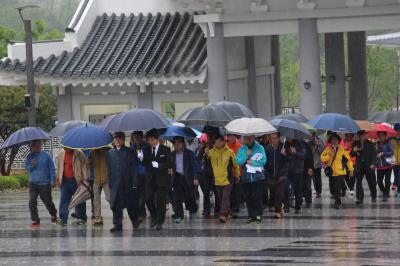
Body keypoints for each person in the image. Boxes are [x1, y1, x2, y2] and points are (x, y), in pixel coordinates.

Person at [107, 132, 140, 232]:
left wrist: (135, 182)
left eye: (119, 139)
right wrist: (110, 181)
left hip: (127, 183)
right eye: (115, 139)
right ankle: (117, 224)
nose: (117, 140)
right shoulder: (110, 153)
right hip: (115, 184)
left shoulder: (130, 152)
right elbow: (109, 168)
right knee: (116, 205)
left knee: (131, 204)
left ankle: (135, 221)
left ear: (123, 140)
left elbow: (134, 168)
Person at [207, 134, 240, 223]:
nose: (216, 144)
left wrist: (237, 175)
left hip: (228, 179)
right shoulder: (211, 152)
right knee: (221, 198)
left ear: (223, 142)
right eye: (215, 142)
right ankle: (227, 210)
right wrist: (205, 153)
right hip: (217, 179)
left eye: (218, 142)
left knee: (225, 197)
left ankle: (223, 214)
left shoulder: (230, 152)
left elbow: (235, 165)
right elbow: (205, 162)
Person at [143, 128, 172, 230]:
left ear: (157, 139)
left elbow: (169, 163)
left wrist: (159, 165)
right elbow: (145, 164)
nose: (150, 142)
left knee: (161, 202)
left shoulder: (165, 149)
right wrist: (141, 158)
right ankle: (154, 216)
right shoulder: (146, 149)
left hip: (161, 179)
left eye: (151, 139)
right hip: (150, 179)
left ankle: (160, 221)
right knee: (148, 199)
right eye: (148, 140)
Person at [25, 140, 58, 226]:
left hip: (45, 183)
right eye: (33, 146)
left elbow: (52, 168)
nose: (35, 147)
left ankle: (53, 214)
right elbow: (27, 168)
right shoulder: (29, 157)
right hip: (33, 183)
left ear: (40, 145)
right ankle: (35, 220)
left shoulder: (46, 155)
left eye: (37, 145)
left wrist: (52, 180)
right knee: (32, 201)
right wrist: (32, 165)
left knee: (48, 202)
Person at [237, 135, 267, 223]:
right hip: (246, 177)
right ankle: (251, 215)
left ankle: (258, 214)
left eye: (251, 137)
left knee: (256, 196)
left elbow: (263, 161)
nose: (249, 139)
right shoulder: (242, 149)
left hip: (258, 177)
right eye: (247, 137)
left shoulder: (260, 147)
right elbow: (238, 161)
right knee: (248, 197)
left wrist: (252, 162)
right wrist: (246, 155)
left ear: (254, 137)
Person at [321, 133, 354, 209]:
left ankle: (337, 202)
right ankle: (337, 200)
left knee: (337, 187)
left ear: (338, 141)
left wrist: (351, 170)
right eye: (333, 140)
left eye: (336, 140)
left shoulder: (342, 149)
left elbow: (348, 160)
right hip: (331, 172)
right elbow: (322, 158)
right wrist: (329, 155)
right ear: (330, 141)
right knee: (332, 187)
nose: (334, 141)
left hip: (340, 172)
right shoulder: (328, 149)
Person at [56, 147, 87, 226]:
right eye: (64, 147)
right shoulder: (61, 153)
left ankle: (82, 217)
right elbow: (59, 166)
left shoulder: (79, 153)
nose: (65, 148)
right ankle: (63, 219)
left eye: (67, 147)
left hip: (76, 180)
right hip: (65, 180)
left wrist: (85, 179)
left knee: (79, 199)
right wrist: (58, 178)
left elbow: (83, 165)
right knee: (64, 200)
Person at [171, 137, 199, 223]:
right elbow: (169, 165)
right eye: (175, 143)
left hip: (188, 177)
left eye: (178, 143)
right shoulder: (172, 154)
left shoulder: (189, 153)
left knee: (189, 196)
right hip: (177, 177)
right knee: (177, 197)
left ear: (183, 143)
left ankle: (193, 210)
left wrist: (195, 178)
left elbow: (194, 166)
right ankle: (179, 215)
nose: (177, 145)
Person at [265, 132, 288, 219]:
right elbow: (265, 162)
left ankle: (277, 211)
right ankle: (280, 206)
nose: (273, 140)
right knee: (273, 192)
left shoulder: (283, 147)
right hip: (271, 175)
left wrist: (285, 155)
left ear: (279, 138)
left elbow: (288, 161)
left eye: (275, 138)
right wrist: (266, 173)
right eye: (272, 138)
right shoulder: (267, 148)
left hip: (281, 175)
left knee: (279, 192)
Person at [351, 131, 377, 204]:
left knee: (371, 182)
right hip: (359, 166)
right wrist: (354, 150)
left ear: (366, 135)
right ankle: (359, 198)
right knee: (358, 182)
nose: (362, 137)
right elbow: (351, 154)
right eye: (360, 135)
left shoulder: (370, 143)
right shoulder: (356, 143)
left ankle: (373, 196)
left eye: (363, 135)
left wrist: (373, 163)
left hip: (369, 165)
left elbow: (373, 154)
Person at [88, 147, 111, 226]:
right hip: (96, 180)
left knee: (109, 197)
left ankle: (117, 213)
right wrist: (89, 162)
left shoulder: (107, 151)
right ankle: (97, 217)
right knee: (96, 199)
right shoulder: (92, 152)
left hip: (106, 179)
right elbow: (88, 165)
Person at [284, 138, 306, 214]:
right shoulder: (285, 144)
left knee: (297, 190)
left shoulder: (300, 143)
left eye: (289, 137)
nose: (287, 138)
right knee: (286, 188)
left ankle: (298, 207)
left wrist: (295, 152)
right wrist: (283, 154)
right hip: (288, 171)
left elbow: (303, 155)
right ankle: (286, 206)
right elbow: (285, 158)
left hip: (298, 170)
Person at [130, 131, 148, 220]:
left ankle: (143, 210)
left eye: (138, 137)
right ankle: (141, 211)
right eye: (134, 138)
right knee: (138, 194)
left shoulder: (146, 147)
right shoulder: (132, 148)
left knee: (145, 195)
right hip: (136, 175)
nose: (136, 139)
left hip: (146, 174)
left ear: (141, 137)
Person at [196, 137, 213, 217]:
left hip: (210, 174)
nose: (204, 143)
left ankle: (217, 210)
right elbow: (197, 160)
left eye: (206, 142)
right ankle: (206, 210)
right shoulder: (200, 150)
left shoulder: (213, 150)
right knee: (205, 192)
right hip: (201, 174)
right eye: (203, 142)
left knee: (213, 192)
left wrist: (208, 155)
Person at [226, 134, 242, 218]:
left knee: (237, 191)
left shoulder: (240, 146)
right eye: (229, 136)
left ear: (235, 137)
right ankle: (231, 208)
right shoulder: (226, 146)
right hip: (228, 173)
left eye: (232, 136)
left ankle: (236, 209)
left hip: (238, 172)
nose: (230, 138)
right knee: (230, 192)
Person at [375, 131, 394, 202]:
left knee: (387, 181)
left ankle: (385, 195)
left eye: (382, 135)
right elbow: (374, 153)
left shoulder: (388, 143)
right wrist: (376, 151)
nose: (381, 136)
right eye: (379, 135)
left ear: (385, 136)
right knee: (379, 181)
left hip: (388, 165)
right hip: (379, 166)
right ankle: (385, 192)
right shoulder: (376, 143)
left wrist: (383, 153)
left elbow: (391, 152)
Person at [309, 132, 324, 198]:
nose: (310, 136)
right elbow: (309, 152)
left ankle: (319, 192)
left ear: (314, 135)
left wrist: (318, 145)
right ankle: (316, 190)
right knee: (313, 178)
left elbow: (321, 152)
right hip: (311, 163)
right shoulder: (308, 142)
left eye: (311, 135)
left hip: (317, 163)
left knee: (318, 178)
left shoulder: (319, 141)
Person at [302, 139, 314, 207]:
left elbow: (310, 157)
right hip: (297, 169)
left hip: (306, 168)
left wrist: (310, 168)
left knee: (307, 185)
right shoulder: (292, 144)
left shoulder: (306, 145)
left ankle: (308, 200)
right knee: (299, 186)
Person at [391, 123, 400, 196]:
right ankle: (396, 186)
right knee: (396, 175)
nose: (397, 132)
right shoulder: (392, 139)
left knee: (399, 176)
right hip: (394, 161)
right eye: (396, 130)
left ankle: (399, 191)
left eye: (398, 130)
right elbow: (391, 149)